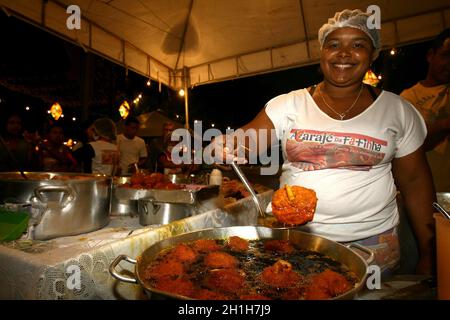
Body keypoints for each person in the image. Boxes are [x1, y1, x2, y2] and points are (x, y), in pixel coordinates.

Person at [207, 9, 436, 276]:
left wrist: (431, 251)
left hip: (373, 248)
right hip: (296, 244)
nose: (344, 53)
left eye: (358, 45)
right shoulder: (289, 104)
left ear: (373, 54)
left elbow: (415, 183)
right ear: (322, 53)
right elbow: (246, 142)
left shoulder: (398, 110)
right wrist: (225, 146)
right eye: (334, 44)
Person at [401, 28, 450, 192]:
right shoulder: (409, 98)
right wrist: (444, 125)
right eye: (446, 55)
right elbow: (410, 144)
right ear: (431, 55)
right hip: (432, 193)